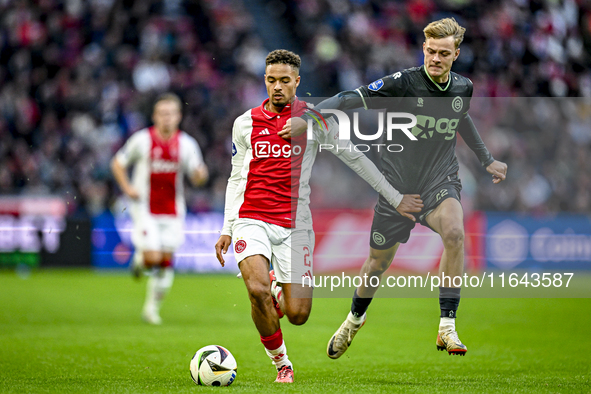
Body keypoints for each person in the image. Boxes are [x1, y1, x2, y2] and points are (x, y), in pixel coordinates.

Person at [286, 18, 508, 358]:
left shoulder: (463, 87)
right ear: (424, 49)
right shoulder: (403, 83)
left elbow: (462, 118)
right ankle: (353, 320)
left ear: (456, 54)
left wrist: (487, 159)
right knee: (376, 265)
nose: (435, 58)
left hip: (439, 180)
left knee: (455, 233)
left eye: (443, 53)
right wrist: (311, 118)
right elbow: (350, 98)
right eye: (430, 51)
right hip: (397, 190)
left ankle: (447, 326)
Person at [214, 49, 422, 383]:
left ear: (298, 81)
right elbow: (236, 177)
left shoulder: (315, 119)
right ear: (264, 81)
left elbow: (354, 157)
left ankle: (280, 296)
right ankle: (282, 363)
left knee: (298, 315)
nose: (277, 87)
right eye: (271, 80)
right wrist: (227, 227)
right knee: (256, 290)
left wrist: (394, 197)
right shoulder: (245, 123)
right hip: (250, 220)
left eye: (284, 80)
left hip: (296, 226)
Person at [111, 93, 208, 325]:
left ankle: (151, 309)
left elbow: (198, 176)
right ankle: (142, 258)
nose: (167, 118)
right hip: (144, 207)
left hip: (173, 210)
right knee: (153, 256)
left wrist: (200, 176)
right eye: (162, 113)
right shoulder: (141, 140)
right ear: (155, 116)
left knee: (165, 261)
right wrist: (127, 187)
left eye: (171, 113)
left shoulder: (187, 144)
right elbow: (117, 163)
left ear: (178, 116)